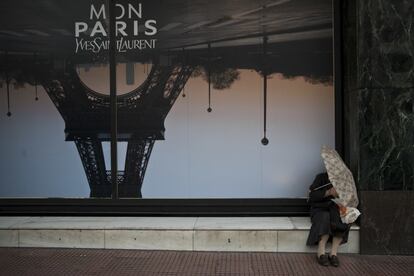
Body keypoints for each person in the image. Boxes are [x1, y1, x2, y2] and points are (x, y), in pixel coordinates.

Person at [306, 172, 350, 267]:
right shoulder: (321, 177)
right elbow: (312, 196)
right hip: (320, 208)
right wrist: (328, 192)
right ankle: (321, 252)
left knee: (343, 218)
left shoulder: (344, 181)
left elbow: (349, 198)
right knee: (324, 217)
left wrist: (340, 196)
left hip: (336, 209)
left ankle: (333, 254)